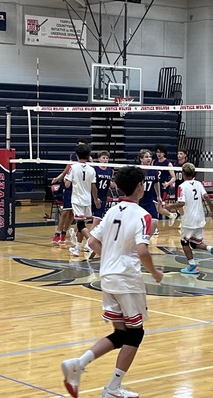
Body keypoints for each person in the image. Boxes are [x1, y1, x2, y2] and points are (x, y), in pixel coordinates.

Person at [61, 166, 163, 398]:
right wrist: (155, 272)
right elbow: (142, 250)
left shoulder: (112, 211)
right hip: (127, 279)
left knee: (121, 334)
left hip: (107, 277)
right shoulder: (142, 215)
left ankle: (78, 363)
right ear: (140, 187)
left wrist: (111, 256)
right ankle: (113, 387)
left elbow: (93, 243)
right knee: (136, 333)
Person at [165, 163, 213, 274]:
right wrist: (212, 210)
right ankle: (212, 249)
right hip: (200, 218)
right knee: (195, 243)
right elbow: (206, 197)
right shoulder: (198, 184)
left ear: (183, 174)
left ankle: (192, 266)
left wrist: (170, 206)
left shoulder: (182, 186)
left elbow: (181, 203)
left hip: (189, 220)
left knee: (184, 242)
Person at [52, 139, 90, 246]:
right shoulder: (73, 157)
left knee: (73, 215)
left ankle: (64, 233)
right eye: (78, 145)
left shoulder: (89, 161)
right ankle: (57, 233)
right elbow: (67, 169)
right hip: (70, 188)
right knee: (65, 212)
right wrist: (58, 178)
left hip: (81, 190)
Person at [65, 144, 100, 258]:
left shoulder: (73, 167)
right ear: (89, 156)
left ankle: (92, 243)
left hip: (77, 200)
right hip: (87, 200)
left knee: (80, 225)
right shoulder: (92, 169)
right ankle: (76, 248)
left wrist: (66, 177)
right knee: (82, 224)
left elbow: (67, 184)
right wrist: (95, 199)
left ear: (77, 155)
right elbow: (93, 186)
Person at [138, 149, 170, 236]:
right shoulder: (137, 171)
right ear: (141, 159)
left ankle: (146, 238)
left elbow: (156, 183)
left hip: (149, 200)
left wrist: (158, 195)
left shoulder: (153, 170)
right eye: (146, 157)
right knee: (139, 222)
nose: (149, 159)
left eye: (150, 157)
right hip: (139, 201)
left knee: (155, 221)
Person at [153, 144, 177, 226]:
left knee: (158, 208)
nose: (158, 154)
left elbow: (174, 177)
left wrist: (168, 183)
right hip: (155, 186)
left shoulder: (168, 163)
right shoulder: (154, 162)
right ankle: (171, 215)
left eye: (160, 152)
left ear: (164, 153)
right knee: (157, 207)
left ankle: (171, 215)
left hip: (163, 188)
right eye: (157, 152)